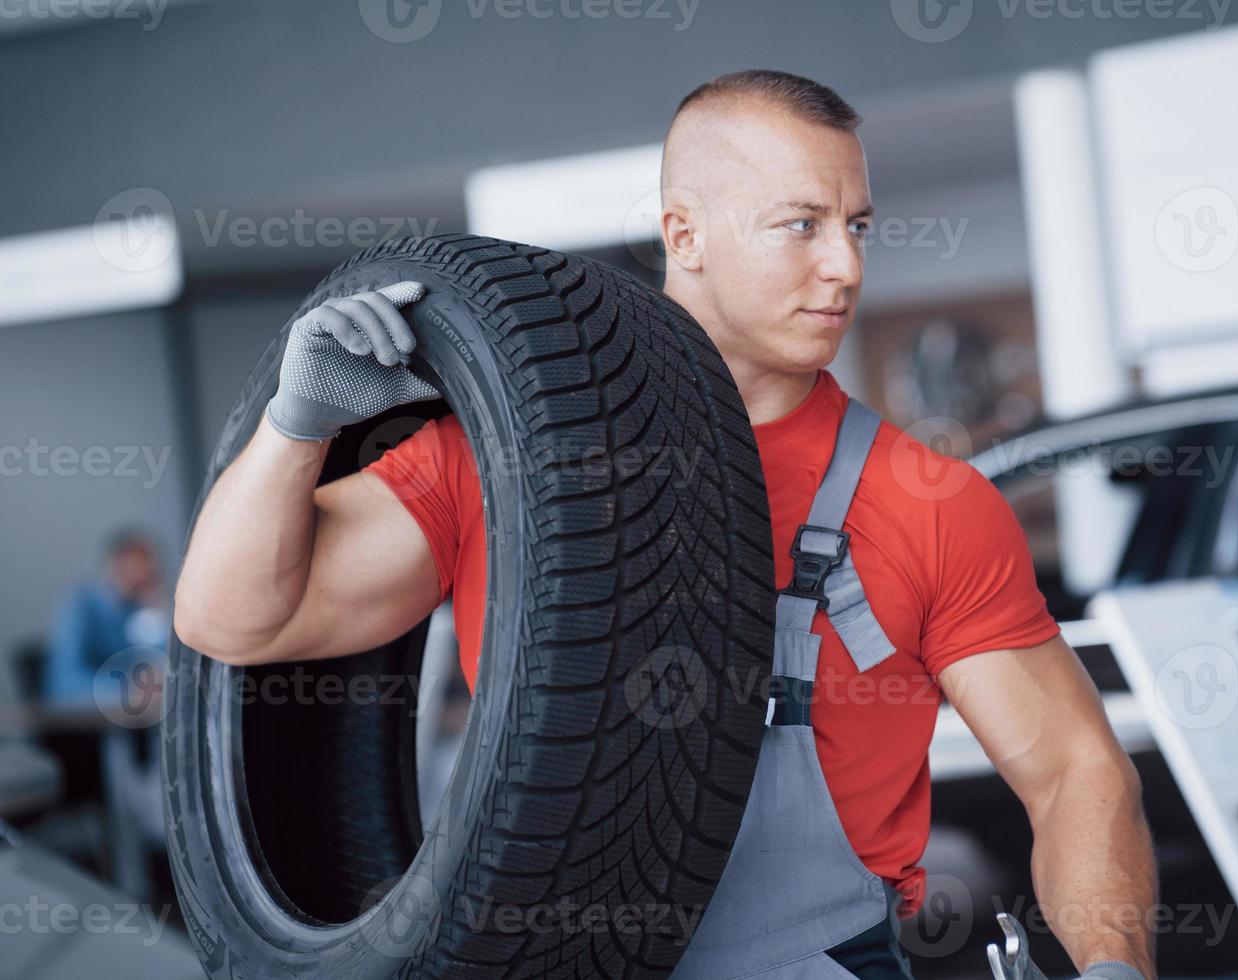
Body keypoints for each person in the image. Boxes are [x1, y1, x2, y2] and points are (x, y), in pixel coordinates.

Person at [174, 70, 1156, 980]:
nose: (845, 264)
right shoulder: (504, 466)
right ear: (685, 235)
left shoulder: (927, 499)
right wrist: (292, 429)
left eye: (857, 223)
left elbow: (1072, 767)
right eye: (799, 224)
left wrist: (1113, 963)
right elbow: (238, 622)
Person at [45, 527, 167, 706]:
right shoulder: (78, 606)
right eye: (137, 565)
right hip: (78, 721)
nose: (144, 575)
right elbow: (68, 681)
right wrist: (129, 689)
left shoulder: (138, 611)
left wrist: (159, 611)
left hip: (129, 716)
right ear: (114, 564)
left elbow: (161, 663)